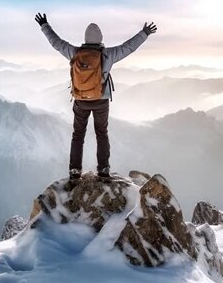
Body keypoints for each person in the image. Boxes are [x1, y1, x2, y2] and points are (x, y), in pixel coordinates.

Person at [35, 13, 157, 181]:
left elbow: (57, 43)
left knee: (78, 135)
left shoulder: (74, 53)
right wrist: (144, 33)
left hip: (80, 101)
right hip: (101, 101)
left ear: (85, 39)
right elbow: (128, 47)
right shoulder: (108, 55)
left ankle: (75, 171)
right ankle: (104, 169)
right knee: (102, 133)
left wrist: (44, 25)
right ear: (101, 39)